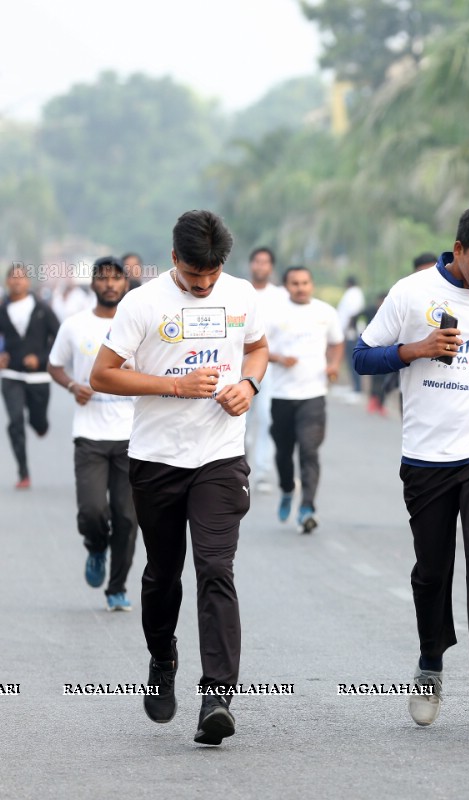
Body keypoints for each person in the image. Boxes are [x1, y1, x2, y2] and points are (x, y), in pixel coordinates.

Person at [91, 209, 268, 746]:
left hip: (219, 457)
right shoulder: (141, 304)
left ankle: (217, 695)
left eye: (213, 275)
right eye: (195, 276)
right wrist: (174, 385)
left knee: (216, 567)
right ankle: (162, 657)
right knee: (163, 573)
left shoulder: (241, 296)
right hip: (156, 459)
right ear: (173, 260)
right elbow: (102, 373)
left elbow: (257, 349)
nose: (205, 284)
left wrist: (250, 386)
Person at [353, 204, 469, 734]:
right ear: (457, 250)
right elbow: (363, 356)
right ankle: (431, 660)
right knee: (432, 571)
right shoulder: (411, 293)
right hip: (427, 455)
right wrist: (417, 349)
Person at [47, 256, 138, 611]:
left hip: (133, 435)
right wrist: (72, 385)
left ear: (126, 285)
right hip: (89, 434)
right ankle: (96, 546)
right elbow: (55, 365)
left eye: (117, 278)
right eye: (104, 278)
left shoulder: (139, 326)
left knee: (127, 517)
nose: (111, 284)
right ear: (93, 284)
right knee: (92, 511)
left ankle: (117, 588)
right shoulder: (75, 326)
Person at [266, 266, 344, 534]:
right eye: (295, 283)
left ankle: (308, 507)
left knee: (309, 451)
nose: (300, 287)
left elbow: (337, 342)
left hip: (314, 394)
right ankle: (287, 489)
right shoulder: (274, 314)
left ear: (312, 284)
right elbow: (257, 348)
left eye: (305, 282)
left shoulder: (325, 312)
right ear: (286, 286)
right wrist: (278, 358)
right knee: (284, 452)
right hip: (282, 395)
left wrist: (333, 364)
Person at [0, 264, 60, 489]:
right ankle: (23, 472)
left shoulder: (42, 308)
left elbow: (59, 337)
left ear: (27, 282)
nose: (16, 282)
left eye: (21, 277)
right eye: (12, 278)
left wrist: (41, 358)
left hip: (38, 377)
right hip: (11, 374)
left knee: (37, 421)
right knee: (15, 422)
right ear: (7, 282)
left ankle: (40, 425)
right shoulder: (2, 309)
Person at [245, 246, 287, 493]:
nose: (260, 266)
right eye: (257, 261)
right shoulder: (240, 292)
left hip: (270, 367)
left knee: (266, 419)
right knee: (239, 418)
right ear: (251, 265)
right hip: (240, 363)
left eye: (265, 262)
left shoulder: (280, 296)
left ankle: (261, 471)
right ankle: (239, 466)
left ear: (271, 267)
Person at [336, 276, 366, 394]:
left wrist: (346, 331)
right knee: (351, 361)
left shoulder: (352, 294)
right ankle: (355, 387)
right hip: (351, 332)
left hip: (351, 334)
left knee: (353, 361)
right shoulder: (355, 294)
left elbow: (352, 315)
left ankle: (357, 389)